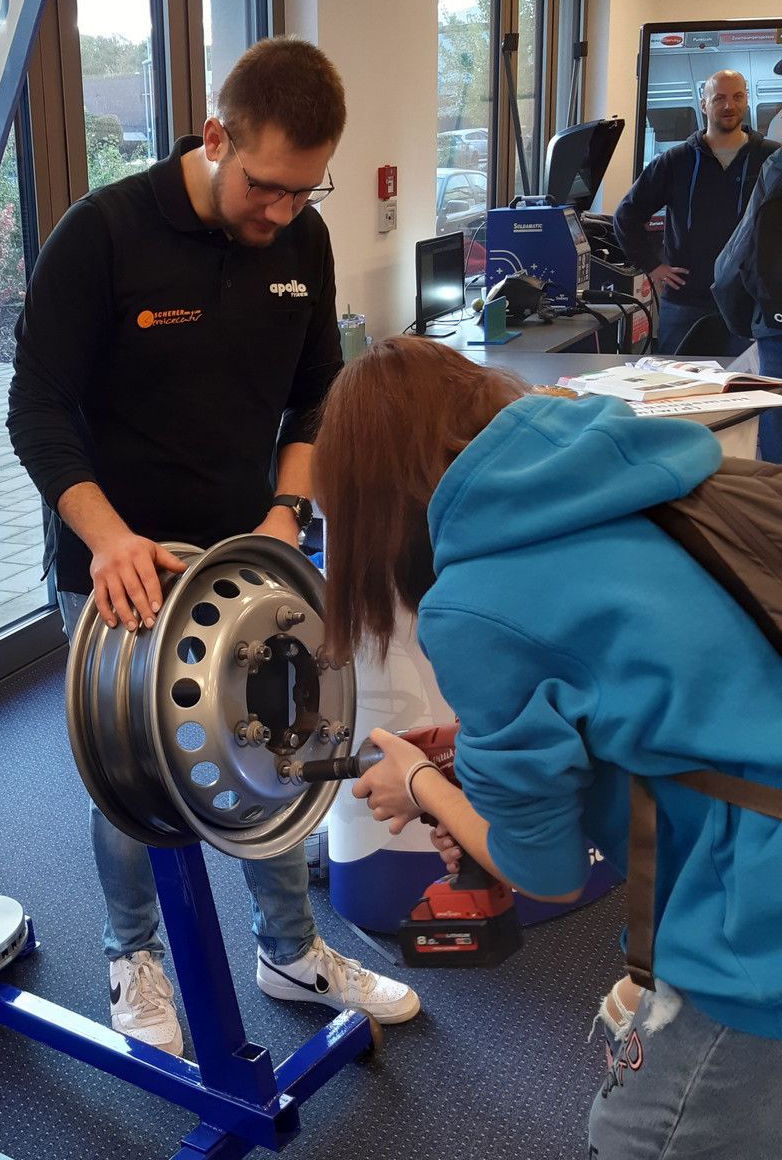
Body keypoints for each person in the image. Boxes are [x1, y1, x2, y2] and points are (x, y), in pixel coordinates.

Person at [7, 37, 419, 1056]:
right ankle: (131, 956)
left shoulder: (300, 240)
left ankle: (290, 950)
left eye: (303, 188)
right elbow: (35, 409)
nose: (280, 210)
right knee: (136, 779)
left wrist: (286, 513)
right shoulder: (102, 234)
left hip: (250, 558)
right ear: (213, 136)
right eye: (264, 185)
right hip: (124, 568)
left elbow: (315, 397)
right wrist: (108, 541)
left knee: (288, 744)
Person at [312, 335, 782, 1159]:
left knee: (640, 1140)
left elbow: (546, 869)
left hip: (755, 920)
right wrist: (475, 753)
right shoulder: (640, 475)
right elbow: (675, 687)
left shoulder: (475, 601)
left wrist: (420, 784)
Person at [613, 69, 777, 354]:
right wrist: (652, 266)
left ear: (746, 100)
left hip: (750, 305)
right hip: (685, 304)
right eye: (719, 98)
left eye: (737, 97)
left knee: (746, 382)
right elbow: (626, 215)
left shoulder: (770, 159)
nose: (729, 105)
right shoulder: (676, 161)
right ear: (704, 104)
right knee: (673, 379)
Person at [713, 149, 782, 463]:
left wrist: (744, 319)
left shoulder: (777, 165)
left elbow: (740, 252)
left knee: (777, 428)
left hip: (775, 322)